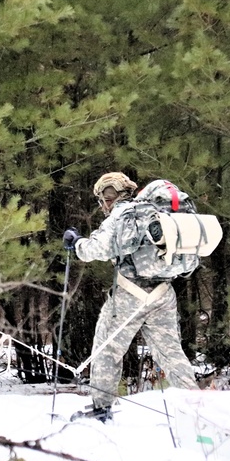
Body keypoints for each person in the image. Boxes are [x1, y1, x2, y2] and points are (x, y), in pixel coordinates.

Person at [62, 172, 199, 422]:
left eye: (102, 199)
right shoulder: (156, 212)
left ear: (106, 197)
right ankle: (197, 408)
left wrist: (77, 243)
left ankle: (101, 408)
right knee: (171, 354)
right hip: (163, 294)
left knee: (107, 350)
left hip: (129, 295)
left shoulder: (121, 214)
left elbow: (97, 249)